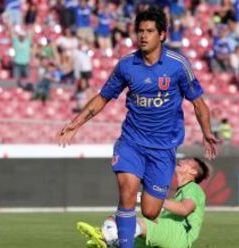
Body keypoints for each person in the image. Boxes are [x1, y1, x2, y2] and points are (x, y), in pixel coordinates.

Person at [57, 7, 218, 248]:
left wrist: (207, 132)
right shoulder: (126, 66)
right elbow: (102, 97)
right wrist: (75, 124)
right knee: (127, 192)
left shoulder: (177, 65)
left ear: (162, 35)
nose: (143, 36)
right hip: (131, 142)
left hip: (163, 149)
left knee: (151, 211)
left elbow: (199, 104)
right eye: (140, 31)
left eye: (150, 31)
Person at [76, 158, 210, 248]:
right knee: (118, 218)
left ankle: (103, 236)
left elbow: (184, 209)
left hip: (179, 235)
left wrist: (156, 200)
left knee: (136, 223)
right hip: (166, 233)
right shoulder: (178, 193)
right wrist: (142, 198)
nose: (181, 160)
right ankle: (107, 240)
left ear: (193, 172)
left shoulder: (194, 189)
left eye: (187, 161)